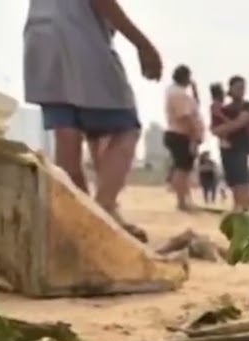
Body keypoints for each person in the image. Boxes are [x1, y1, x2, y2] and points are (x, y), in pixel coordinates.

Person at [23, 0, 161, 241]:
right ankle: (103, 211)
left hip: (41, 37)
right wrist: (143, 45)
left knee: (67, 136)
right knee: (126, 127)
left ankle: (81, 221)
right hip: (79, 37)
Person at [211, 75, 249, 210]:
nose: (241, 90)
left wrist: (223, 123)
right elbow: (215, 130)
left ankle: (243, 209)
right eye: (238, 87)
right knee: (234, 182)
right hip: (226, 149)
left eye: (243, 88)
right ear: (230, 88)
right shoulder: (223, 108)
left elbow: (240, 122)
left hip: (241, 147)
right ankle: (238, 208)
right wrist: (224, 125)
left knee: (242, 180)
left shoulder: (247, 106)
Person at [163, 64, 202, 210]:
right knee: (182, 169)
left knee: (184, 168)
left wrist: (195, 90)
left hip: (180, 134)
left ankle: (185, 199)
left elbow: (195, 107)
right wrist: (194, 135)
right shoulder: (178, 94)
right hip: (181, 134)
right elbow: (185, 116)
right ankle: (181, 202)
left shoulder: (178, 92)